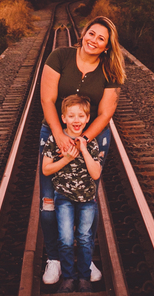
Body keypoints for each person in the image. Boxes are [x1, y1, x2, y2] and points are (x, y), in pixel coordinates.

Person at [40, 16, 127, 286]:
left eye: (101, 38)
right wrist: (59, 135)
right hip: (54, 132)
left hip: (92, 137)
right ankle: (54, 258)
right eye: (91, 33)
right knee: (49, 200)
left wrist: (82, 140)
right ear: (84, 34)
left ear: (107, 47)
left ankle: (85, 257)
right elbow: (47, 98)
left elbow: (106, 113)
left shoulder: (110, 71)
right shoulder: (60, 56)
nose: (94, 40)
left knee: (87, 197)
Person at [42, 95, 102, 293]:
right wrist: (67, 158)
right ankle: (68, 276)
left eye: (81, 116)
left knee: (85, 238)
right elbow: (46, 169)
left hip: (87, 200)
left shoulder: (91, 143)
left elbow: (96, 173)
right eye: (71, 116)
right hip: (64, 198)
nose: (76, 120)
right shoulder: (54, 140)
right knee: (66, 238)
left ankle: (84, 277)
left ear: (87, 119)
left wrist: (83, 149)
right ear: (63, 118)